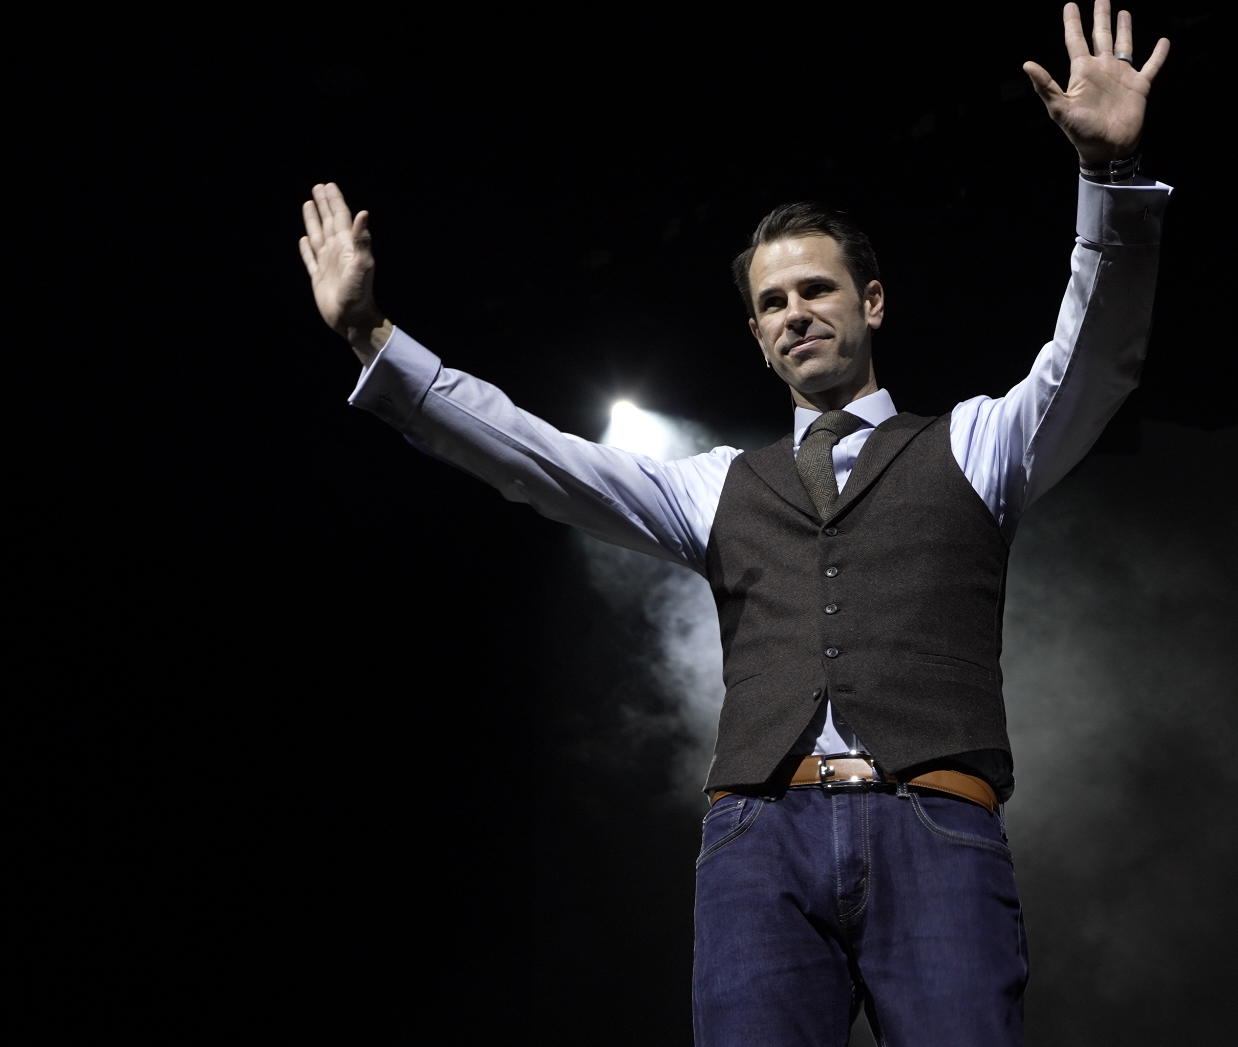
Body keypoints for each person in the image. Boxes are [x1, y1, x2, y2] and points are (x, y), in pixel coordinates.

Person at [299, 4, 1169, 1043]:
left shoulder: (978, 445)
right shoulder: (716, 487)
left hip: (935, 828)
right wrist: (373, 338)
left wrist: (1108, 178)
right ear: (755, 335)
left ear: (871, 302)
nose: (794, 312)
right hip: (758, 842)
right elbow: (536, 458)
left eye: (816, 289)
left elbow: (1095, 355)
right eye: (771, 303)